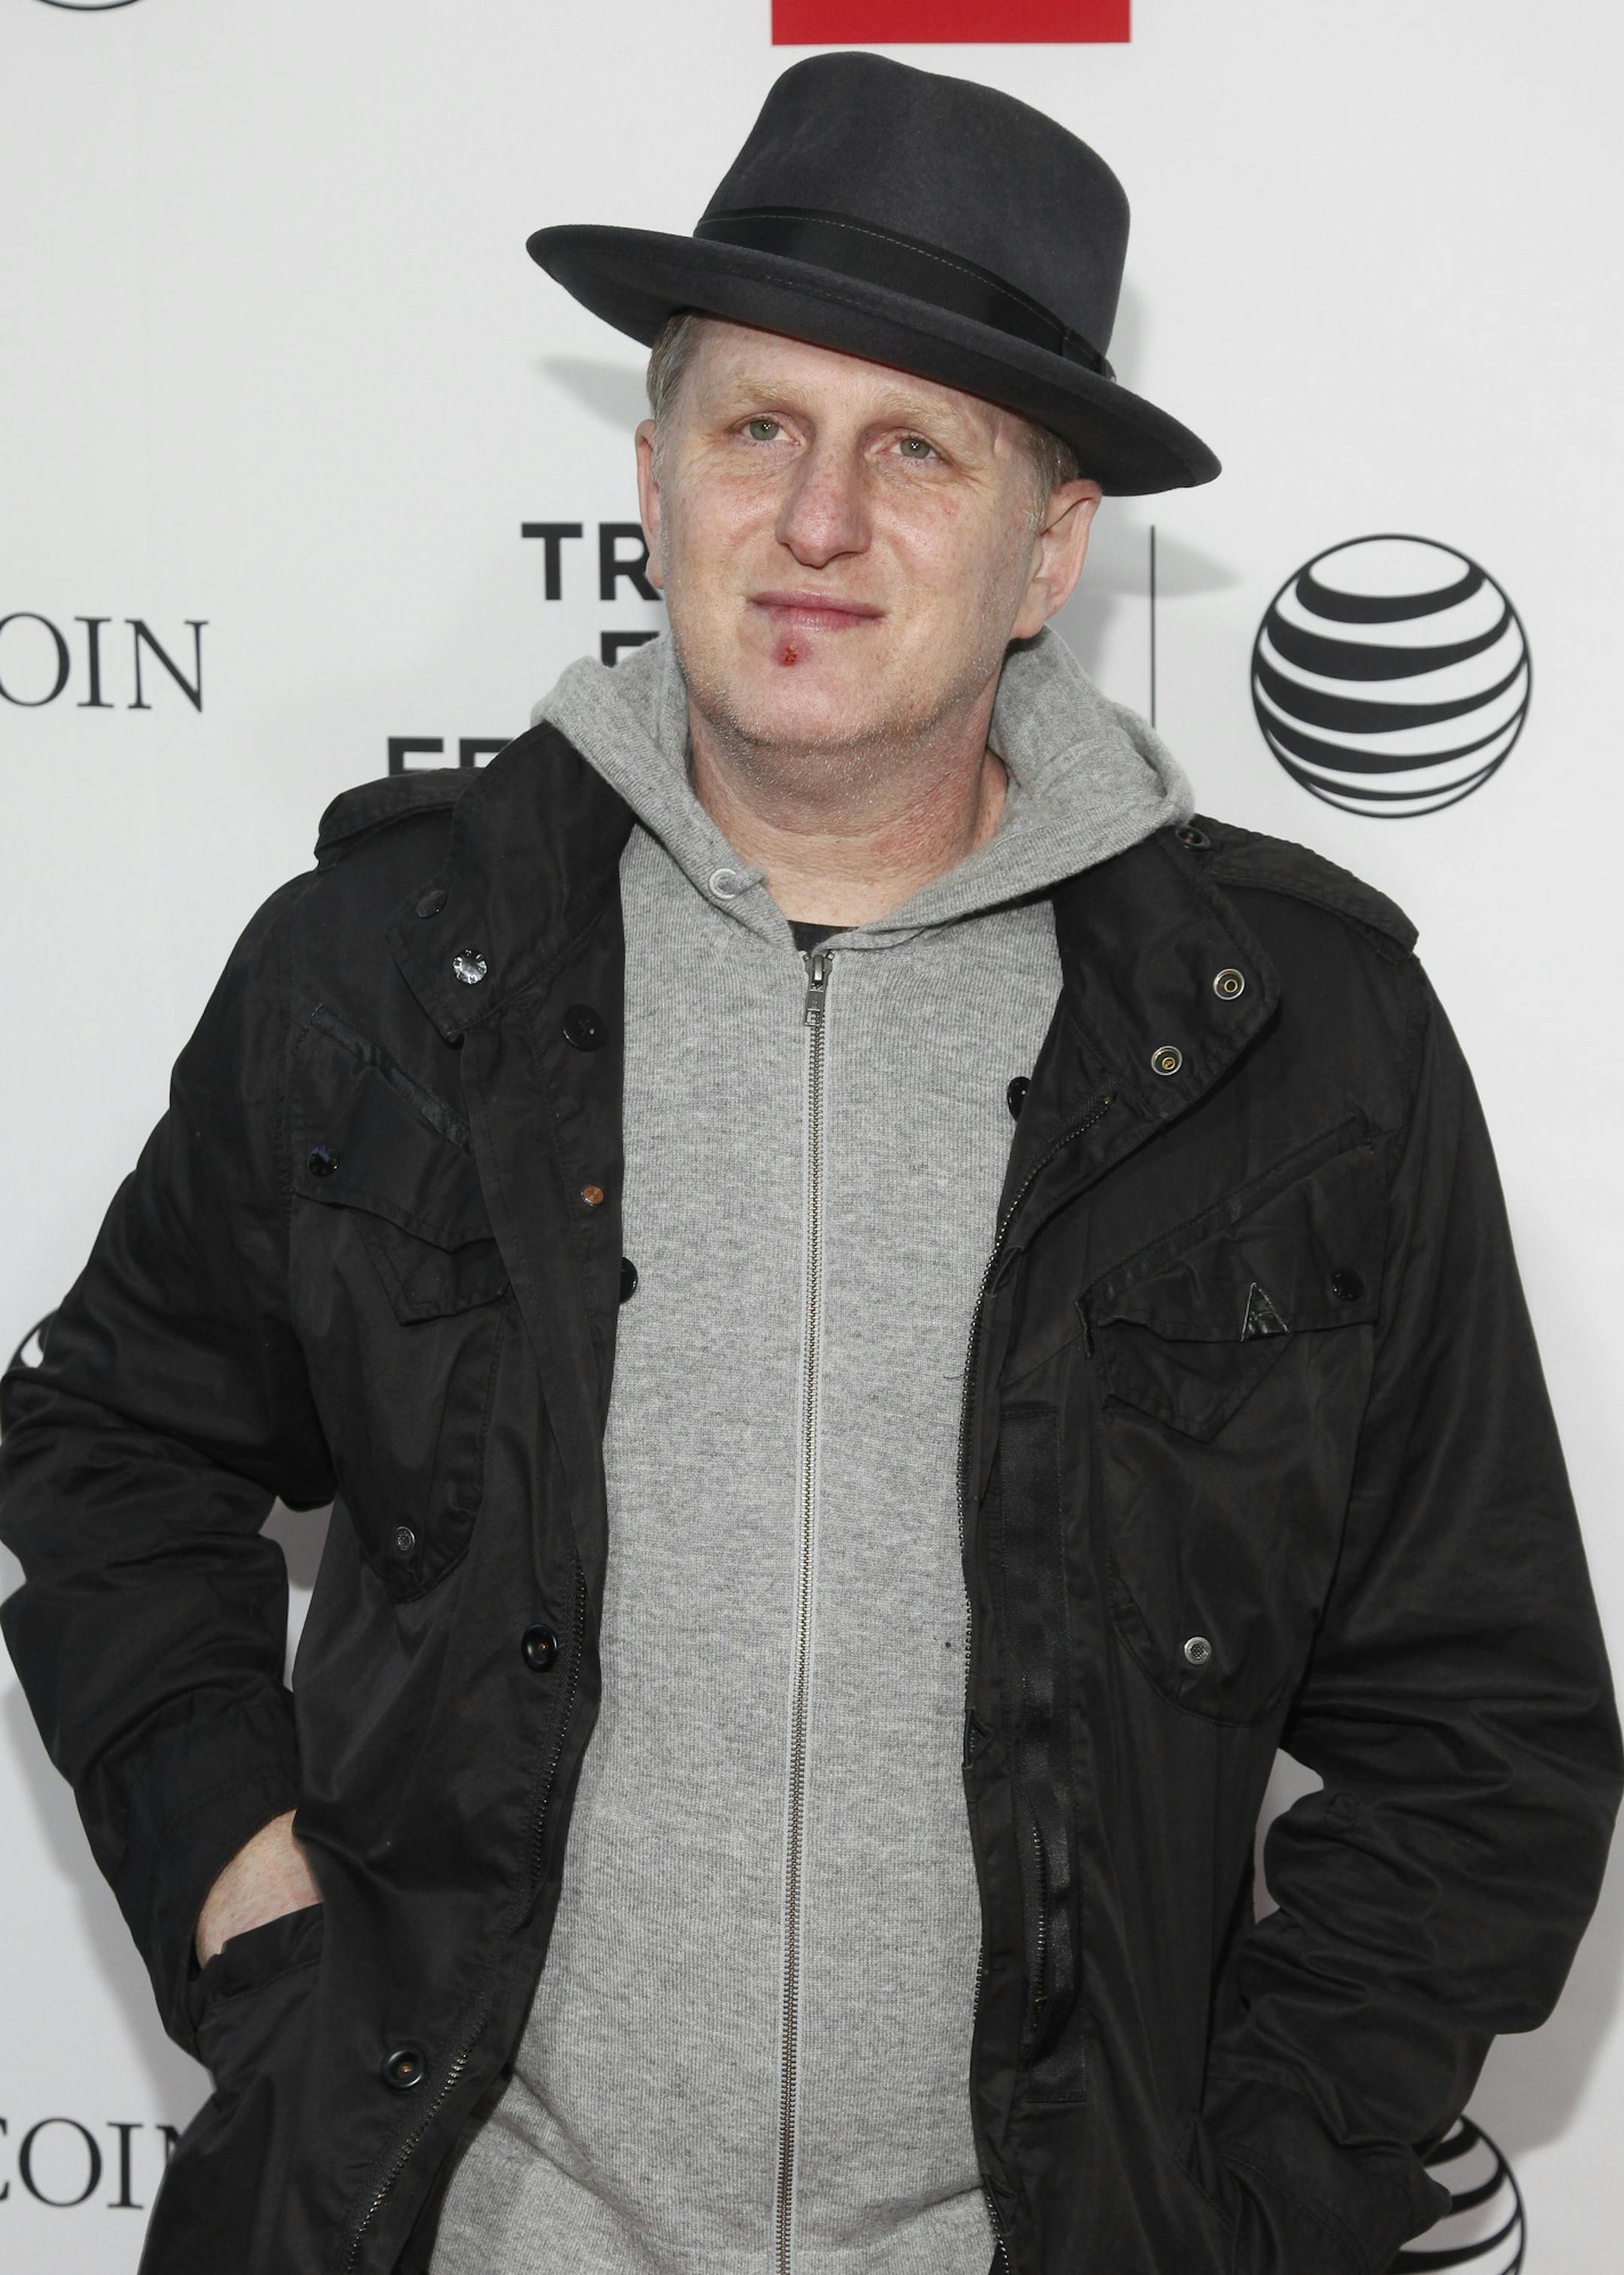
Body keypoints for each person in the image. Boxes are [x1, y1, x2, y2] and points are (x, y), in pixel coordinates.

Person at [0, 47, 1616, 2275]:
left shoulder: (1303, 1048)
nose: (821, 519)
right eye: (760, 427)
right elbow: (107, 1446)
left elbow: (1484, 1725)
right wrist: (243, 1904)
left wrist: (1248, 2196)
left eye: (918, 449)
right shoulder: (382, 967)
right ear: (653, 481)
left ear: (1051, 551)